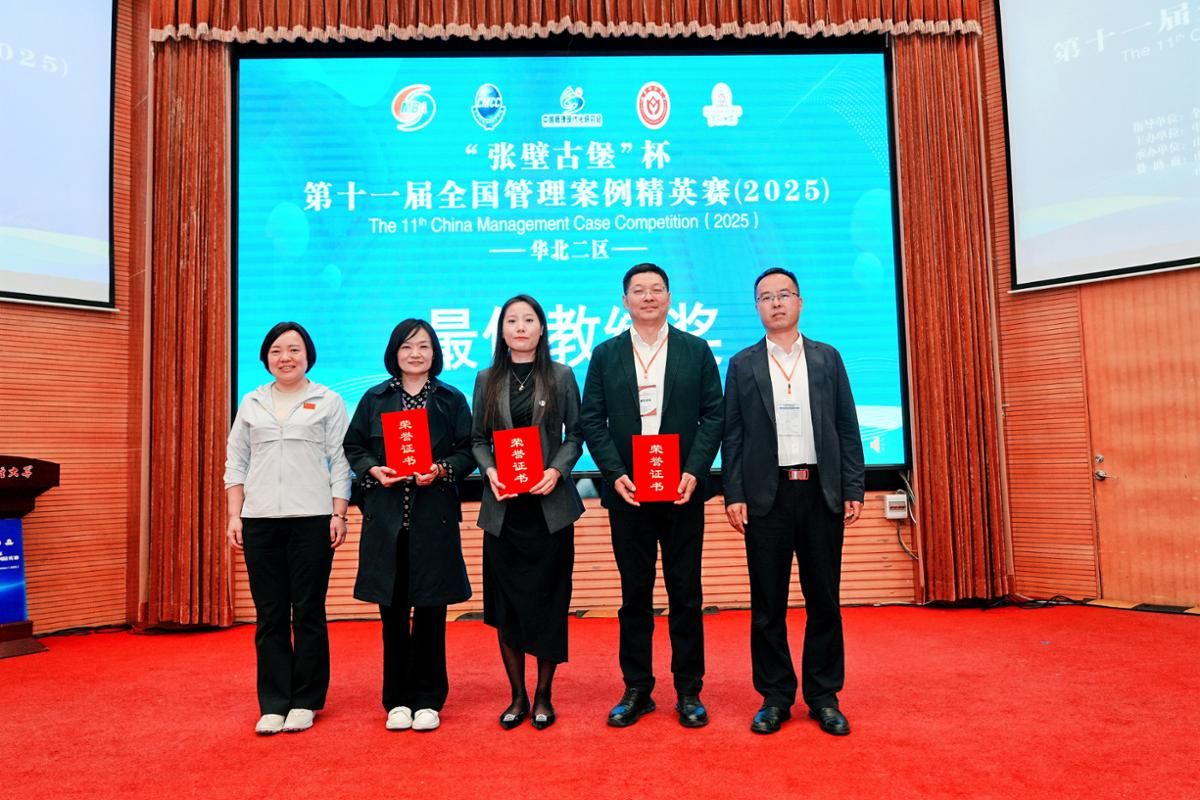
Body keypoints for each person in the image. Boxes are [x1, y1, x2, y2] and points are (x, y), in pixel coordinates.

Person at [722, 267, 866, 736]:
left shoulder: (827, 358)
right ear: (757, 308)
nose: (776, 303)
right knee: (768, 603)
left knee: (824, 599)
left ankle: (824, 696)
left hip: (820, 492)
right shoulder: (742, 364)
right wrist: (734, 493)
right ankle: (775, 697)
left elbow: (847, 426)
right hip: (767, 497)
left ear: (800, 302)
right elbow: (733, 435)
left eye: (784, 295)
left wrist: (853, 487)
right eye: (766, 297)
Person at [579, 263, 724, 728]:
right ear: (625, 301)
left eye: (656, 289)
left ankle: (689, 690)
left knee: (686, 593)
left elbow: (714, 415)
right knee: (634, 594)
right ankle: (637, 688)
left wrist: (694, 471)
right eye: (638, 290)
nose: (648, 297)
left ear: (669, 297)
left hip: (682, 491)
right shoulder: (606, 354)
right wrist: (615, 473)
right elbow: (591, 419)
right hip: (629, 494)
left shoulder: (695, 350)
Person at [343, 319, 475, 733]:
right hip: (388, 522)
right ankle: (397, 699)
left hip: (433, 520)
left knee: (432, 613)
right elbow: (353, 445)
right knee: (393, 615)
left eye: (423, 346)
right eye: (407, 346)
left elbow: (469, 449)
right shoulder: (375, 398)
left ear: (435, 353)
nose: (415, 354)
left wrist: (441, 469)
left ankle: (429, 699)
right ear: (394, 353)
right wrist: (373, 469)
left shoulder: (450, 400)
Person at [224, 321, 352, 736]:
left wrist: (338, 513)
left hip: (312, 519)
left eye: (294, 350)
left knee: (308, 611)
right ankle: (274, 701)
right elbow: (236, 463)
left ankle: (307, 700)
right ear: (266, 358)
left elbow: (341, 461)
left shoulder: (328, 400)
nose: (286, 357)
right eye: (277, 350)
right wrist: (235, 515)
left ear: (308, 355)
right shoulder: (252, 401)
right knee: (270, 614)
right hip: (260, 520)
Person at [471, 294, 585, 731]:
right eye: (512, 321)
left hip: (548, 510)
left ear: (541, 328)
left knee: (549, 602)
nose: (520, 327)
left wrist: (556, 471)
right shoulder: (487, 379)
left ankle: (543, 695)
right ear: (501, 331)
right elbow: (478, 439)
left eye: (528, 320)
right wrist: (490, 470)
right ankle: (517, 695)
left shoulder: (560, 375)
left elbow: (575, 434)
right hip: (504, 511)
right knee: (508, 605)